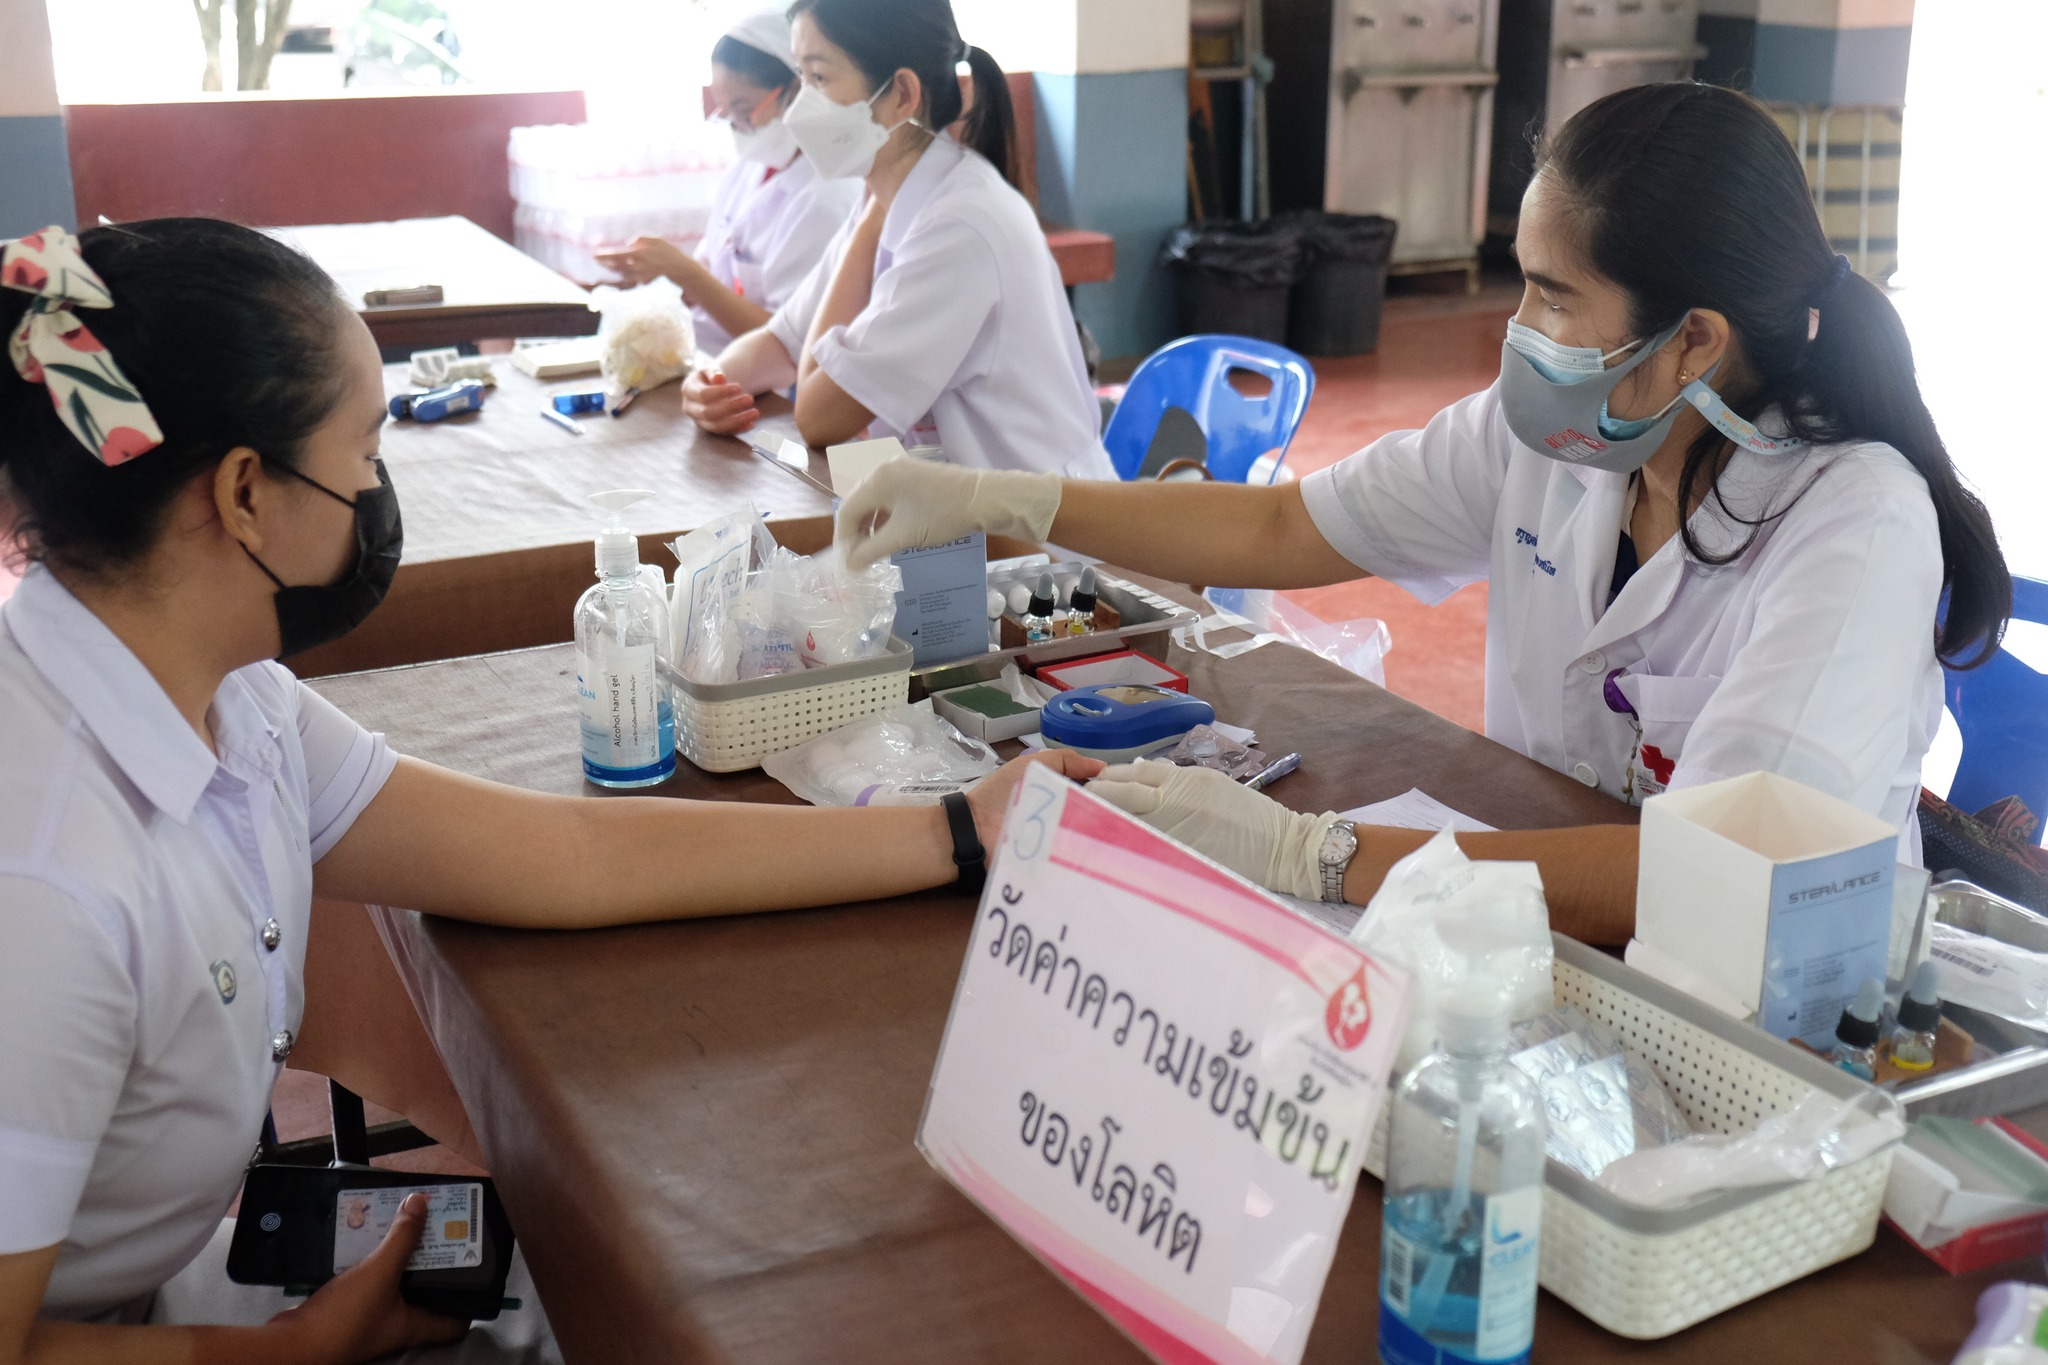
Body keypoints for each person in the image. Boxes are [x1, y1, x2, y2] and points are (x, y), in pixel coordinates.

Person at [0, 219, 1095, 1360]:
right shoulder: (45, 880)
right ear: (240, 495)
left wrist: (953, 832)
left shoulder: (226, 704)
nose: (377, 488)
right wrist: (288, 1352)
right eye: (365, 453)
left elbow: (562, 854)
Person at [834, 82, 2012, 946]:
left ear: (1693, 338)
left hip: (1775, 1003)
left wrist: (1314, 853)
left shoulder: (1849, 529)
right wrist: (1004, 501)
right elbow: (1281, 531)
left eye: (1554, 298)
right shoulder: (1571, 441)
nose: (1520, 330)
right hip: (1545, 917)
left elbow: (1714, 878)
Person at [680, 0, 1115, 479]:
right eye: (801, 78)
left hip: (1044, 533)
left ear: (902, 95)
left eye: (820, 79)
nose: (801, 106)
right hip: (962, 513)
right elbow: (780, 341)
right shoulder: (890, 196)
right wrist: (711, 384)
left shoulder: (957, 225)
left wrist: (868, 227)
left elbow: (820, 414)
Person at [596, 9, 858, 355]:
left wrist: (689, 275)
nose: (736, 124)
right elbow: (714, 265)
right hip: (711, 357)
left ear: (797, 89)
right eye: (724, 111)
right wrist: (661, 275)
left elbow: (790, 341)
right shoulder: (750, 167)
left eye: (743, 108)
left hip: (771, 384)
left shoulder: (828, 196)